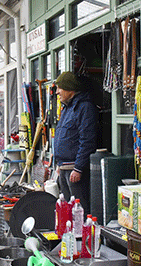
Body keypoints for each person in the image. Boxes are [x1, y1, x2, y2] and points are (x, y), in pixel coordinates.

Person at [53, 71, 97, 214]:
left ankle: (82, 236)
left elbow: (87, 140)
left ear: (70, 88)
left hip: (75, 171)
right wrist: (58, 164)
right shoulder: (67, 108)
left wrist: (78, 168)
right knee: (68, 210)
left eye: (60, 88)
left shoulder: (84, 108)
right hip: (64, 169)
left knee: (80, 210)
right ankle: (70, 235)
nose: (57, 92)